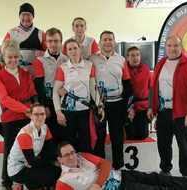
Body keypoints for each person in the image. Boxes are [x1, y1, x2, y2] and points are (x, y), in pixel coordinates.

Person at [147, 36, 187, 177]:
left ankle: (186, 174)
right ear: (165, 47)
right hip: (163, 113)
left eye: (176, 46)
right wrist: (151, 107)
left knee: (184, 146)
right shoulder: (161, 64)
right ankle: (165, 170)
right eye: (169, 46)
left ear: (181, 47)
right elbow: (153, 87)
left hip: (182, 114)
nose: (172, 49)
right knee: (163, 145)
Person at [56, 142, 187, 190]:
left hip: (121, 175)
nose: (71, 156)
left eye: (72, 152)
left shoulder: (82, 156)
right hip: (118, 188)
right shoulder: (64, 181)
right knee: (156, 189)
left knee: (157, 178)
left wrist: (97, 184)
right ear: (60, 160)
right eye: (67, 155)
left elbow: (105, 164)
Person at [0, 40, 37, 189]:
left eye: (15, 57)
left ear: (19, 57)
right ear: (4, 58)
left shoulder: (25, 74)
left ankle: (29, 179)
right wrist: (25, 109)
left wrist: (35, 109)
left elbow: (32, 94)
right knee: (10, 150)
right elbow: (5, 99)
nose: (13, 60)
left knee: (29, 149)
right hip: (10, 119)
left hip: (27, 117)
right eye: (9, 57)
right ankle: (7, 181)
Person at [90, 31, 132, 169]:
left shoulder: (121, 60)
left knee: (117, 137)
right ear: (100, 42)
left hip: (118, 104)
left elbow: (126, 83)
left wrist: (128, 106)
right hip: (99, 104)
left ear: (114, 42)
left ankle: (118, 167)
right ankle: (100, 168)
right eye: (104, 39)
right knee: (100, 137)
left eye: (110, 39)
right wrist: (96, 103)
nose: (108, 42)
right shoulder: (92, 59)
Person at [53, 38, 103, 153]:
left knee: (85, 141)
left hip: (84, 110)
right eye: (69, 49)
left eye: (75, 48)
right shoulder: (63, 67)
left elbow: (93, 88)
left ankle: (85, 168)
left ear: (80, 49)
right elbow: (55, 92)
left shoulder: (89, 65)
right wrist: (58, 112)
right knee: (70, 141)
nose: (73, 51)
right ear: (66, 52)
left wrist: (99, 105)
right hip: (68, 111)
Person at [8, 103, 61, 189]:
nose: (39, 117)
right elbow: (32, 161)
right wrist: (53, 162)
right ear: (31, 116)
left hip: (31, 163)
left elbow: (52, 148)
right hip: (18, 169)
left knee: (57, 169)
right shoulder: (25, 134)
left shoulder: (45, 128)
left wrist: (58, 158)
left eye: (42, 114)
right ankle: (23, 184)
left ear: (45, 115)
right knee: (54, 173)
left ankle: (32, 184)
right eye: (36, 114)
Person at [32, 27, 68, 144]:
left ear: (61, 42)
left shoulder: (67, 59)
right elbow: (38, 85)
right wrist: (43, 106)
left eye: (56, 41)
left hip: (65, 102)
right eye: (50, 41)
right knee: (50, 136)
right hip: (48, 102)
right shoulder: (39, 61)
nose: (53, 44)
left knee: (65, 134)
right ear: (46, 43)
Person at [2, 3, 46, 72]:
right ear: (19, 16)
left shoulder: (41, 33)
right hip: (17, 73)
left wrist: (43, 53)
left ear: (33, 16)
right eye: (23, 15)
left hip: (36, 74)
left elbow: (48, 53)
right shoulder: (11, 33)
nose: (26, 17)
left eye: (28, 15)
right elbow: (2, 52)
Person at [126, 46, 152, 140]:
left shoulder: (146, 69)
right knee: (130, 135)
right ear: (127, 58)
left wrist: (151, 107)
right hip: (128, 108)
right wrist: (128, 108)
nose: (135, 58)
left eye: (137, 55)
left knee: (142, 135)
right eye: (132, 55)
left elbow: (151, 88)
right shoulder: (123, 70)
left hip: (142, 107)